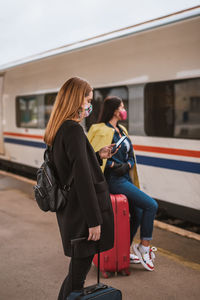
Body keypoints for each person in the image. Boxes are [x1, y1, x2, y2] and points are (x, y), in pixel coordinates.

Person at [44, 77, 114, 299]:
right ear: (77, 99)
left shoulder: (60, 129)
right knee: (77, 276)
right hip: (83, 214)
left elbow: (71, 167)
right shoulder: (73, 130)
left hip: (71, 211)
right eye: (88, 100)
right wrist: (94, 221)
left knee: (77, 272)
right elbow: (83, 179)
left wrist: (96, 156)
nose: (89, 105)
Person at [87, 96, 158, 271]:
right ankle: (144, 247)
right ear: (114, 110)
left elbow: (131, 156)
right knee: (151, 205)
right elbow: (91, 155)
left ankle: (125, 250)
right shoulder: (98, 129)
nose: (124, 109)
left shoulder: (122, 130)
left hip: (125, 178)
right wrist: (112, 165)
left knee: (140, 212)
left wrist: (127, 165)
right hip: (113, 180)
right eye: (122, 106)